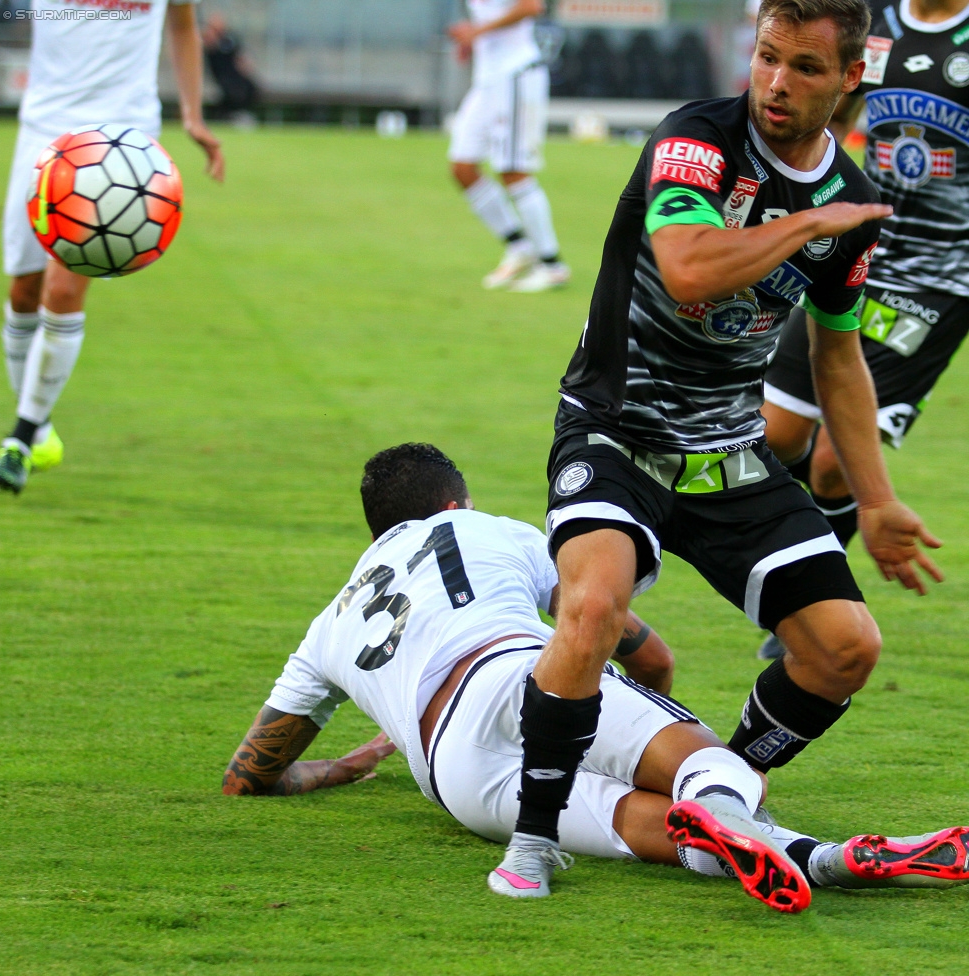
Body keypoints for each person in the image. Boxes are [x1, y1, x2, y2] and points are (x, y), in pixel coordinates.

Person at [488, 0, 950, 896]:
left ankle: (723, 796)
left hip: (727, 450)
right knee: (591, 608)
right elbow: (690, 265)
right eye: (769, 57)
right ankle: (532, 840)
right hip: (616, 426)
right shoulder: (696, 140)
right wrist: (807, 226)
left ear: (850, 78)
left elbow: (839, 360)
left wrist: (880, 497)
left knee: (845, 646)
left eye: (806, 67)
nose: (778, 82)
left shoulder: (846, 201)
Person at [222, 443, 969, 909]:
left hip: (453, 778)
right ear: (455, 501)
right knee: (714, 774)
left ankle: (828, 861)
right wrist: (666, 732)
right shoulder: (483, 530)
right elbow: (641, 649)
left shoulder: (328, 624)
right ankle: (726, 801)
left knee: (648, 827)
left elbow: (247, 775)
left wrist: (343, 765)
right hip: (518, 676)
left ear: (375, 532)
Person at [757, 0, 969, 658]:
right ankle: (795, 560)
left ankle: (820, 598)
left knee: (833, 465)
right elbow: (833, 114)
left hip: (941, 279)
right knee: (775, 433)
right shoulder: (869, 19)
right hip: (856, 247)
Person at [0, 0, 225, 495]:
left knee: (63, 288)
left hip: (122, 138)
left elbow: (183, 27)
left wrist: (192, 115)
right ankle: (38, 422)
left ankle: (19, 438)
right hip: (45, 128)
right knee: (23, 291)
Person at [447, 0, 570, 292]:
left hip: (515, 75)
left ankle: (552, 265)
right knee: (462, 167)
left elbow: (531, 6)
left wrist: (477, 32)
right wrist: (474, 41)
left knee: (513, 170)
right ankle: (519, 247)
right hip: (487, 79)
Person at [202, 12, 259, 125]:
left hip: (234, 74)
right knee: (232, 91)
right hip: (221, 75)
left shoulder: (230, 39)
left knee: (250, 88)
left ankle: (238, 114)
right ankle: (228, 116)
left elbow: (240, 55)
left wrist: (246, 65)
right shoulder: (210, 40)